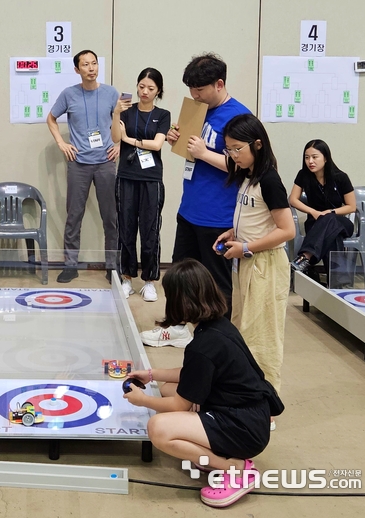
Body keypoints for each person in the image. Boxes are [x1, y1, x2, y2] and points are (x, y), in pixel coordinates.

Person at [123, 259, 282, 508]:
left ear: (181, 302)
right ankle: (215, 451)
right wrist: (152, 374)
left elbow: (178, 404)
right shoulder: (218, 327)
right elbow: (194, 374)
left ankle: (236, 468)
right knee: (167, 388)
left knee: (158, 428)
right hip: (250, 413)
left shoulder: (203, 345)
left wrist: (141, 400)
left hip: (244, 428)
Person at [142, 53, 250, 348]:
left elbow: (245, 165)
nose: (194, 95)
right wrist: (178, 139)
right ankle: (175, 328)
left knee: (216, 283)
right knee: (178, 274)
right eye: (191, 89)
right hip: (190, 209)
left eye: (200, 90)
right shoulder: (198, 110)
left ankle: (219, 341)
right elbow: (190, 150)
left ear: (219, 84)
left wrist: (204, 153)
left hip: (219, 216)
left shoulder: (239, 117)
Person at [213, 114, 295, 430]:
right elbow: (254, 219)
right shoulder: (248, 176)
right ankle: (248, 398)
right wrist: (233, 235)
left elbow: (286, 230)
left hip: (266, 266)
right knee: (243, 332)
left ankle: (267, 407)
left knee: (262, 337)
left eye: (237, 149)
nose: (233, 155)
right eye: (229, 149)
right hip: (246, 260)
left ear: (257, 144)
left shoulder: (270, 180)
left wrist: (247, 247)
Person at [47, 49, 119, 283]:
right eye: (86, 65)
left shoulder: (111, 93)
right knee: (74, 215)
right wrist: (61, 143)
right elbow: (51, 118)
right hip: (78, 163)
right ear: (77, 70)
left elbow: (120, 123)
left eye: (94, 63)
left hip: (106, 163)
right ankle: (70, 265)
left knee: (110, 216)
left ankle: (112, 266)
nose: (91, 68)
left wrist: (119, 145)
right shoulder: (69, 94)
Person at [111, 68, 171, 302]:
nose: (144, 92)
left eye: (151, 88)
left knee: (150, 229)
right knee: (125, 228)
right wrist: (116, 114)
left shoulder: (163, 115)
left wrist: (130, 140)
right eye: (141, 86)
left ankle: (149, 281)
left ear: (158, 91)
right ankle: (126, 278)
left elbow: (157, 145)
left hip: (151, 178)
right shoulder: (126, 111)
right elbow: (115, 137)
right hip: (126, 175)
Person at [289, 140, 355, 275]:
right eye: (307, 157)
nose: (310, 161)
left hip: (340, 222)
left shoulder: (341, 177)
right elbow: (292, 199)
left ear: (325, 158)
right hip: (315, 222)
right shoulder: (303, 175)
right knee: (333, 238)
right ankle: (336, 281)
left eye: (315, 157)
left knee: (330, 219)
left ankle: (305, 257)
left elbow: (351, 207)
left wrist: (329, 212)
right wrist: (313, 212)